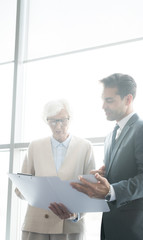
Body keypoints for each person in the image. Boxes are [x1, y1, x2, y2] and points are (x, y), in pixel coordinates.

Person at [71, 73, 143, 240]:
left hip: (136, 231)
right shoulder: (110, 136)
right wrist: (102, 177)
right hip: (110, 230)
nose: (103, 106)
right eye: (103, 100)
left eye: (109, 100)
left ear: (128, 99)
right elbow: (119, 175)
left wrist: (111, 190)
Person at [15, 99, 95, 240]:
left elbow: (91, 190)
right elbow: (20, 188)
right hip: (36, 225)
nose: (58, 126)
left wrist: (76, 214)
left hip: (69, 225)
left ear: (70, 119)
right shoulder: (35, 146)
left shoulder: (85, 147)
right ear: (46, 121)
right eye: (53, 121)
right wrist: (33, 191)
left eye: (63, 120)